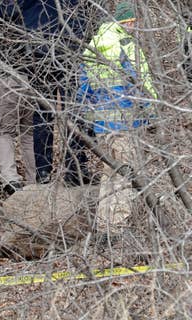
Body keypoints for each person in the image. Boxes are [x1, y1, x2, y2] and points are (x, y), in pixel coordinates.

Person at [0, 0, 94, 187]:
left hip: (38, 55)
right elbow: (87, 14)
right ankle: (75, 168)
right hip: (69, 49)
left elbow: (2, 17)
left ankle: (43, 172)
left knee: (42, 117)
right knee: (72, 112)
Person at [77, 2, 158, 234]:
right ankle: (117, 230)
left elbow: (84, 91)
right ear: (129, 21)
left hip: (103, 126)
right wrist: (151, 114)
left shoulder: (94, 46)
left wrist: (92, 121)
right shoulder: (126, 45)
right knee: (124, 177)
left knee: (108, 176)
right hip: (125, 123)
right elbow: (141, 84)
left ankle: (103, 227)